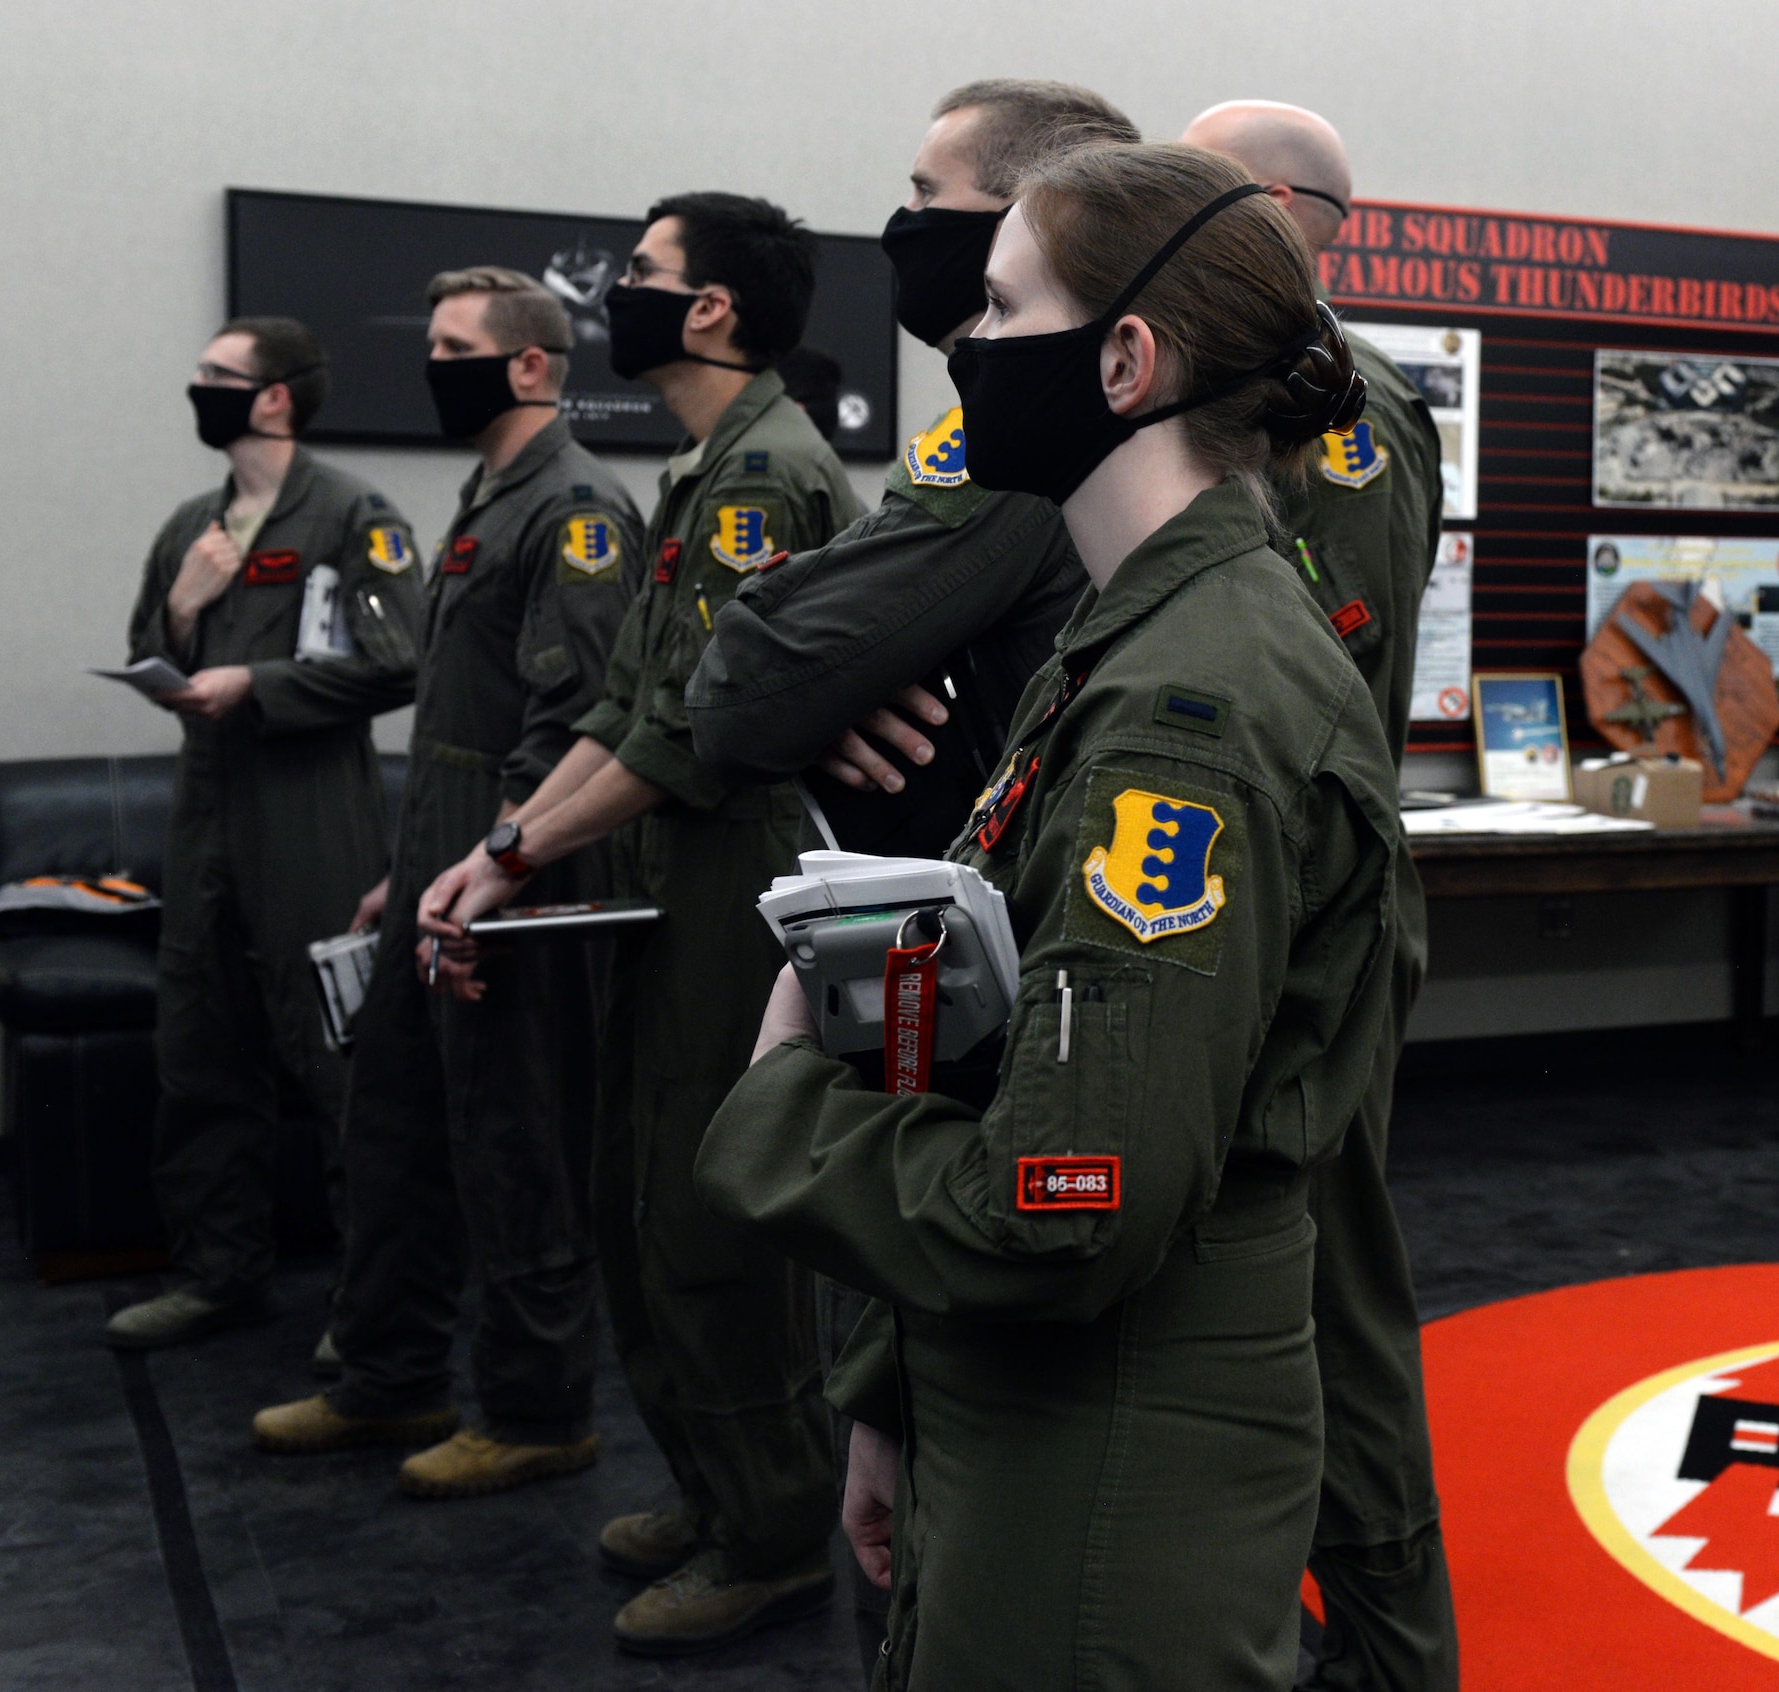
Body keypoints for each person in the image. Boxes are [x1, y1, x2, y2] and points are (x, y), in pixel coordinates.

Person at [696, 141, 1402, 1689]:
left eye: (1004, 308)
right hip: (1021, 1412)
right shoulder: (1132, 640)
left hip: (1110, 1456)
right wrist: (893, 1394)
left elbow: (1064, 1204)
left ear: (1128, 358)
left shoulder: (1184, 710)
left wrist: (780, 1098)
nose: (965, 347)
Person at [682, 78, 1136, 1667]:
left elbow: (739, 683)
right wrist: (837, 682)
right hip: (953, 973)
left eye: (933, 204)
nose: (905, 236)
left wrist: (821, 673)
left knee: (985, 1523)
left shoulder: (1027, 438)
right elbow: (786, 683)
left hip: (1000, 1018)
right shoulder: (1006, 430)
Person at [415, 195, 863, 1654]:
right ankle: (717, 1483)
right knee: (636, 1194)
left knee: (706, 1208)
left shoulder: (767, 480)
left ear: (715, 309)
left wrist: (514, 846)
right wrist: (510, 851)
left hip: (735, 865)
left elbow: (696, 735)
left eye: (647, 277)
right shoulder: (704, 473)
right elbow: (628, 709)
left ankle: (778, 1526)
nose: (621, 296)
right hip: (669, 865)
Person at [251, 269, 644, 1501]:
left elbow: (575, 722)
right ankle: (388, 1376)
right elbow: (455, 724)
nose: (430, 366)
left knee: (514, 1141)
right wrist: (401, 869)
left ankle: (536, 1412)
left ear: (530, 365)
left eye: (452, 346)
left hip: (513, 880)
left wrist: (497, 871)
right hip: (439, 858)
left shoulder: (577, 506)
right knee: (396, 1130)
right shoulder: (489, 493)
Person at [1184, 99, 1458, 1692]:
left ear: (1285, 212)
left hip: (1310, 898)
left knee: (1336, 1295)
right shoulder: (1232, 388)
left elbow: (1316, 660)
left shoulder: (1340, 408)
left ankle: (1396, 1654)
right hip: (1227, 878)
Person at [105, 319, 423, 1351]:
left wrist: (261, 683)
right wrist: (189, 611)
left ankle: (369, 1306)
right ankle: (218, 1273)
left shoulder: (350, 515)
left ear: (276, 396)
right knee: (199, 1049)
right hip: (204, 810)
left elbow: (398, 656)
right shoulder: (193, 523)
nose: (198, 389)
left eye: (216, 377)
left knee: (339, 1064)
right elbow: (153, 655)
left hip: (312, 809)